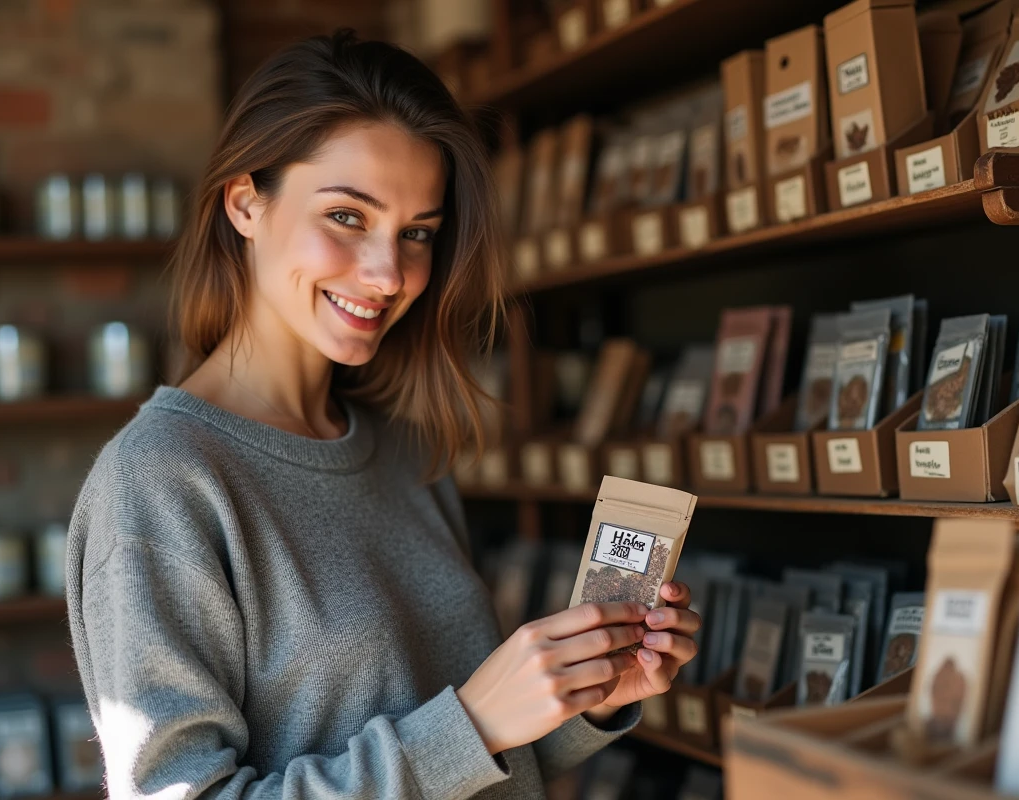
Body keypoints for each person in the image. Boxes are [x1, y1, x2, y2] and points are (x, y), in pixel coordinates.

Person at [66, 31, 700, 800]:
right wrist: (475, 722)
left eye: (418, 234)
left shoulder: (400, 451)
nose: (388, 273)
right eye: (346, 216)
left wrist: (582, 704)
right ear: (245, 204)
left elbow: (468, 766)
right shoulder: (159, 482)